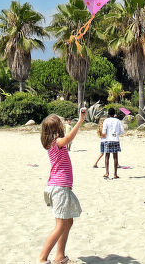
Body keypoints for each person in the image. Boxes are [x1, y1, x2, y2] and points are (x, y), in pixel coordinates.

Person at [38, 109, 86, 264]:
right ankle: (42, 258)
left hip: (59, 188)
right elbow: (69, 138)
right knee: (60, 225)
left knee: (68, 221)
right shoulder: (57, 143)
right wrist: (80, 121)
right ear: (56, 128)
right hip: (59, 188)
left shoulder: (52, 144)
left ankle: (60, 256)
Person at [102, 108, 124, 179]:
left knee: (107, 156)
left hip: (108, 139)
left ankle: (107, 172)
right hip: (115, 139)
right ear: (114, 114)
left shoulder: (106, 120)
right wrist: (117, 133)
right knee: (115, 157)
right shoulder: (118, 121)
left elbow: (103, 131)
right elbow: (122, 131)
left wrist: (106, 135)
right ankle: (115, 174)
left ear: (108, 113)